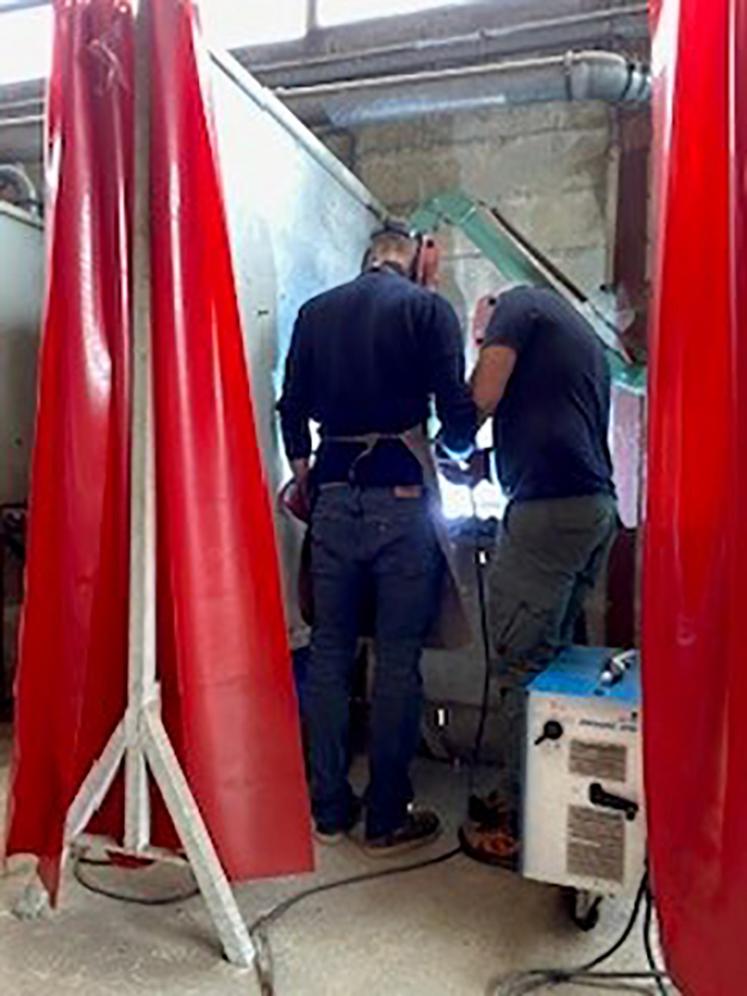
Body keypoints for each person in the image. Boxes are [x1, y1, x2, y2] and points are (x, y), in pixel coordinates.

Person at [278, 223, 476, 856]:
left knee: (330, 653)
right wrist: (457, 449)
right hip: (403, 498)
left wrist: (306, 473)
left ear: (367, 257)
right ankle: (386, 819)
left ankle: (328, 810)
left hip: (333, 496)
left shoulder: (315, 312)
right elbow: (457, 417)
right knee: (396, 659)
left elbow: (290, 408)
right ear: (413, 260)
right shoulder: (427, 310)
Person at [461, 284, 618, 866]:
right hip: (592, 508)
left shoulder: (518, 306)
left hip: (549, 514)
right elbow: (553, 420)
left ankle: (525, 825)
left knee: (520, 665)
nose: (483, 344)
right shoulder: (577, 335)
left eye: (482, 338)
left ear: (492, 313)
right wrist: (491, 461)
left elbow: (483, 396)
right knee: (555, 668)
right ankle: (545, 805)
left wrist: (453, 439)